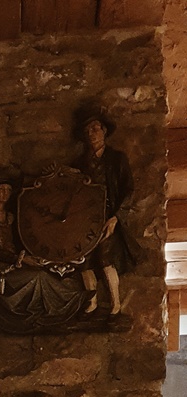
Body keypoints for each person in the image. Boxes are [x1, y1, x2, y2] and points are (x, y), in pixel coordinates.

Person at [0, 168, 84, 334]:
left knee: (44, 270)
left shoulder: (11, 217)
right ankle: (64, 305)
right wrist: (20, 259)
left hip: (15, 263)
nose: (5, 193)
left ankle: (69, 303)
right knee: (38, 277)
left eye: (8, 190)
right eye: (1, 189)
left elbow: (22, 241)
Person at [72, 106, 138, 316]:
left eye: (96, 128)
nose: (92, 133)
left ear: (104, 131)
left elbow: (128, 189)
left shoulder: (116, 159)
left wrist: (116, 217)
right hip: (84, 220)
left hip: (107, 217)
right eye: (88, 130)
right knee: (85, 261)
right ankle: (91, 302)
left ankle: (115, 303)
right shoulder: (79, 163)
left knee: (106, 259)